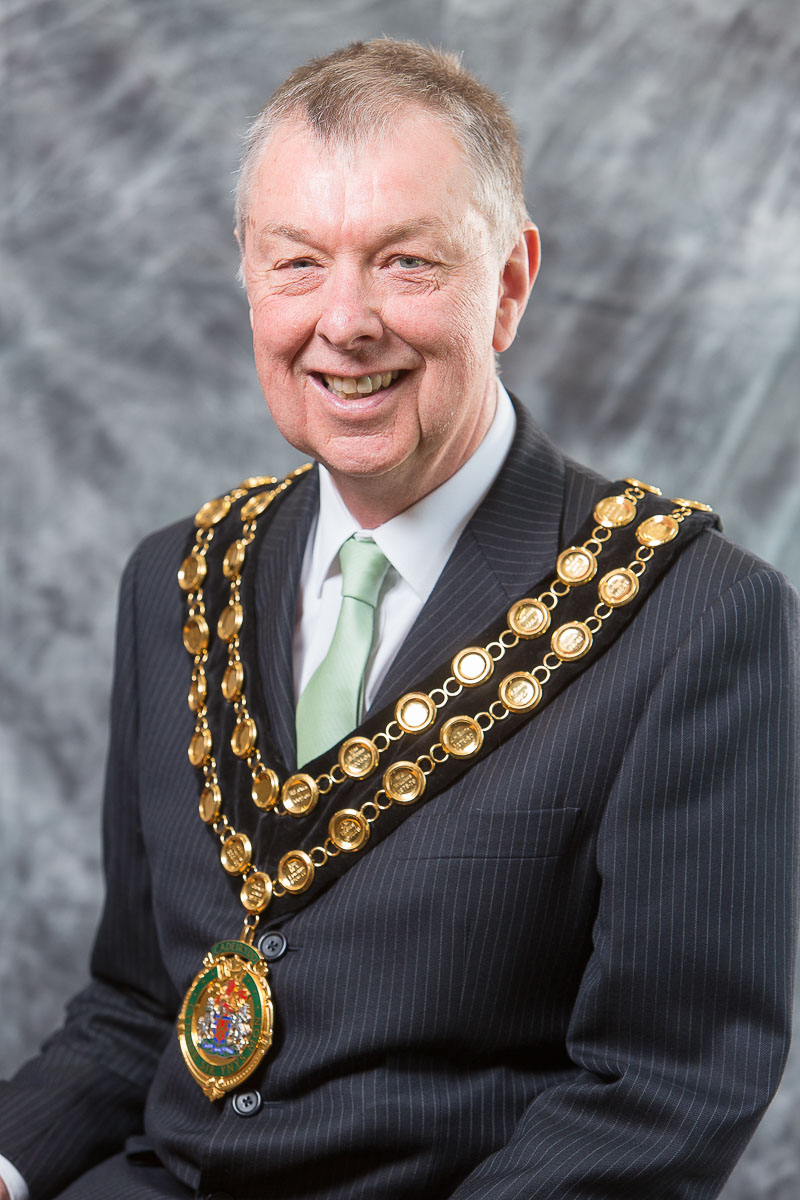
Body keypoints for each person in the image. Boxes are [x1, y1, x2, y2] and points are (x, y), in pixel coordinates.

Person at [1, 38, 797, 1200]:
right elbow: (137, 1006)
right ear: (248, 277)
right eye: (298, 263)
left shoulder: (691, 619)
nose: (345, 322)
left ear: (508, 285)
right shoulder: (174, 577)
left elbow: (657, 1091)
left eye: (405, 263)